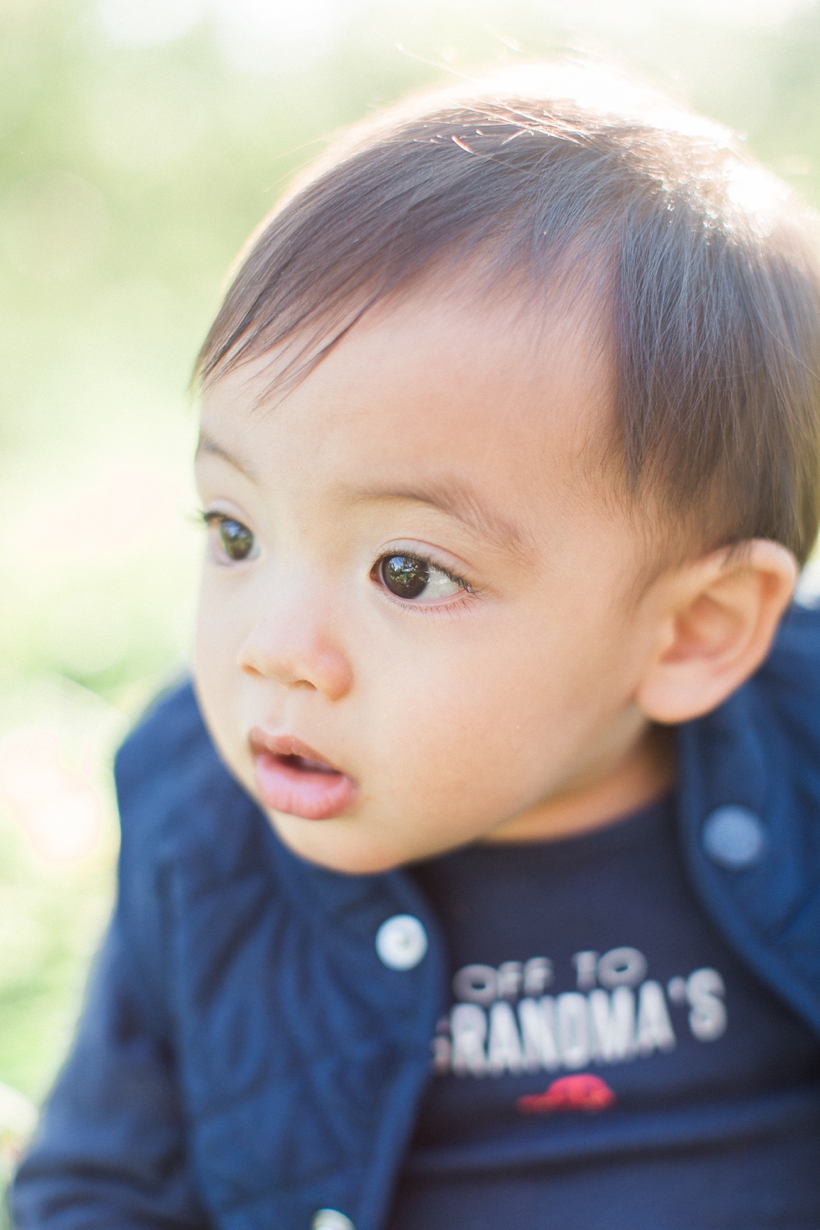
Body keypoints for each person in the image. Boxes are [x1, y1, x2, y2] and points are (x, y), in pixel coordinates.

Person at [12, 63, 820, 1230]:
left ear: (693, 631)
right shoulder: (205, 814)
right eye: (235, 532)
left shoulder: (801, 753)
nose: (276, 652)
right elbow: (102, 1186)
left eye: (408, 573)